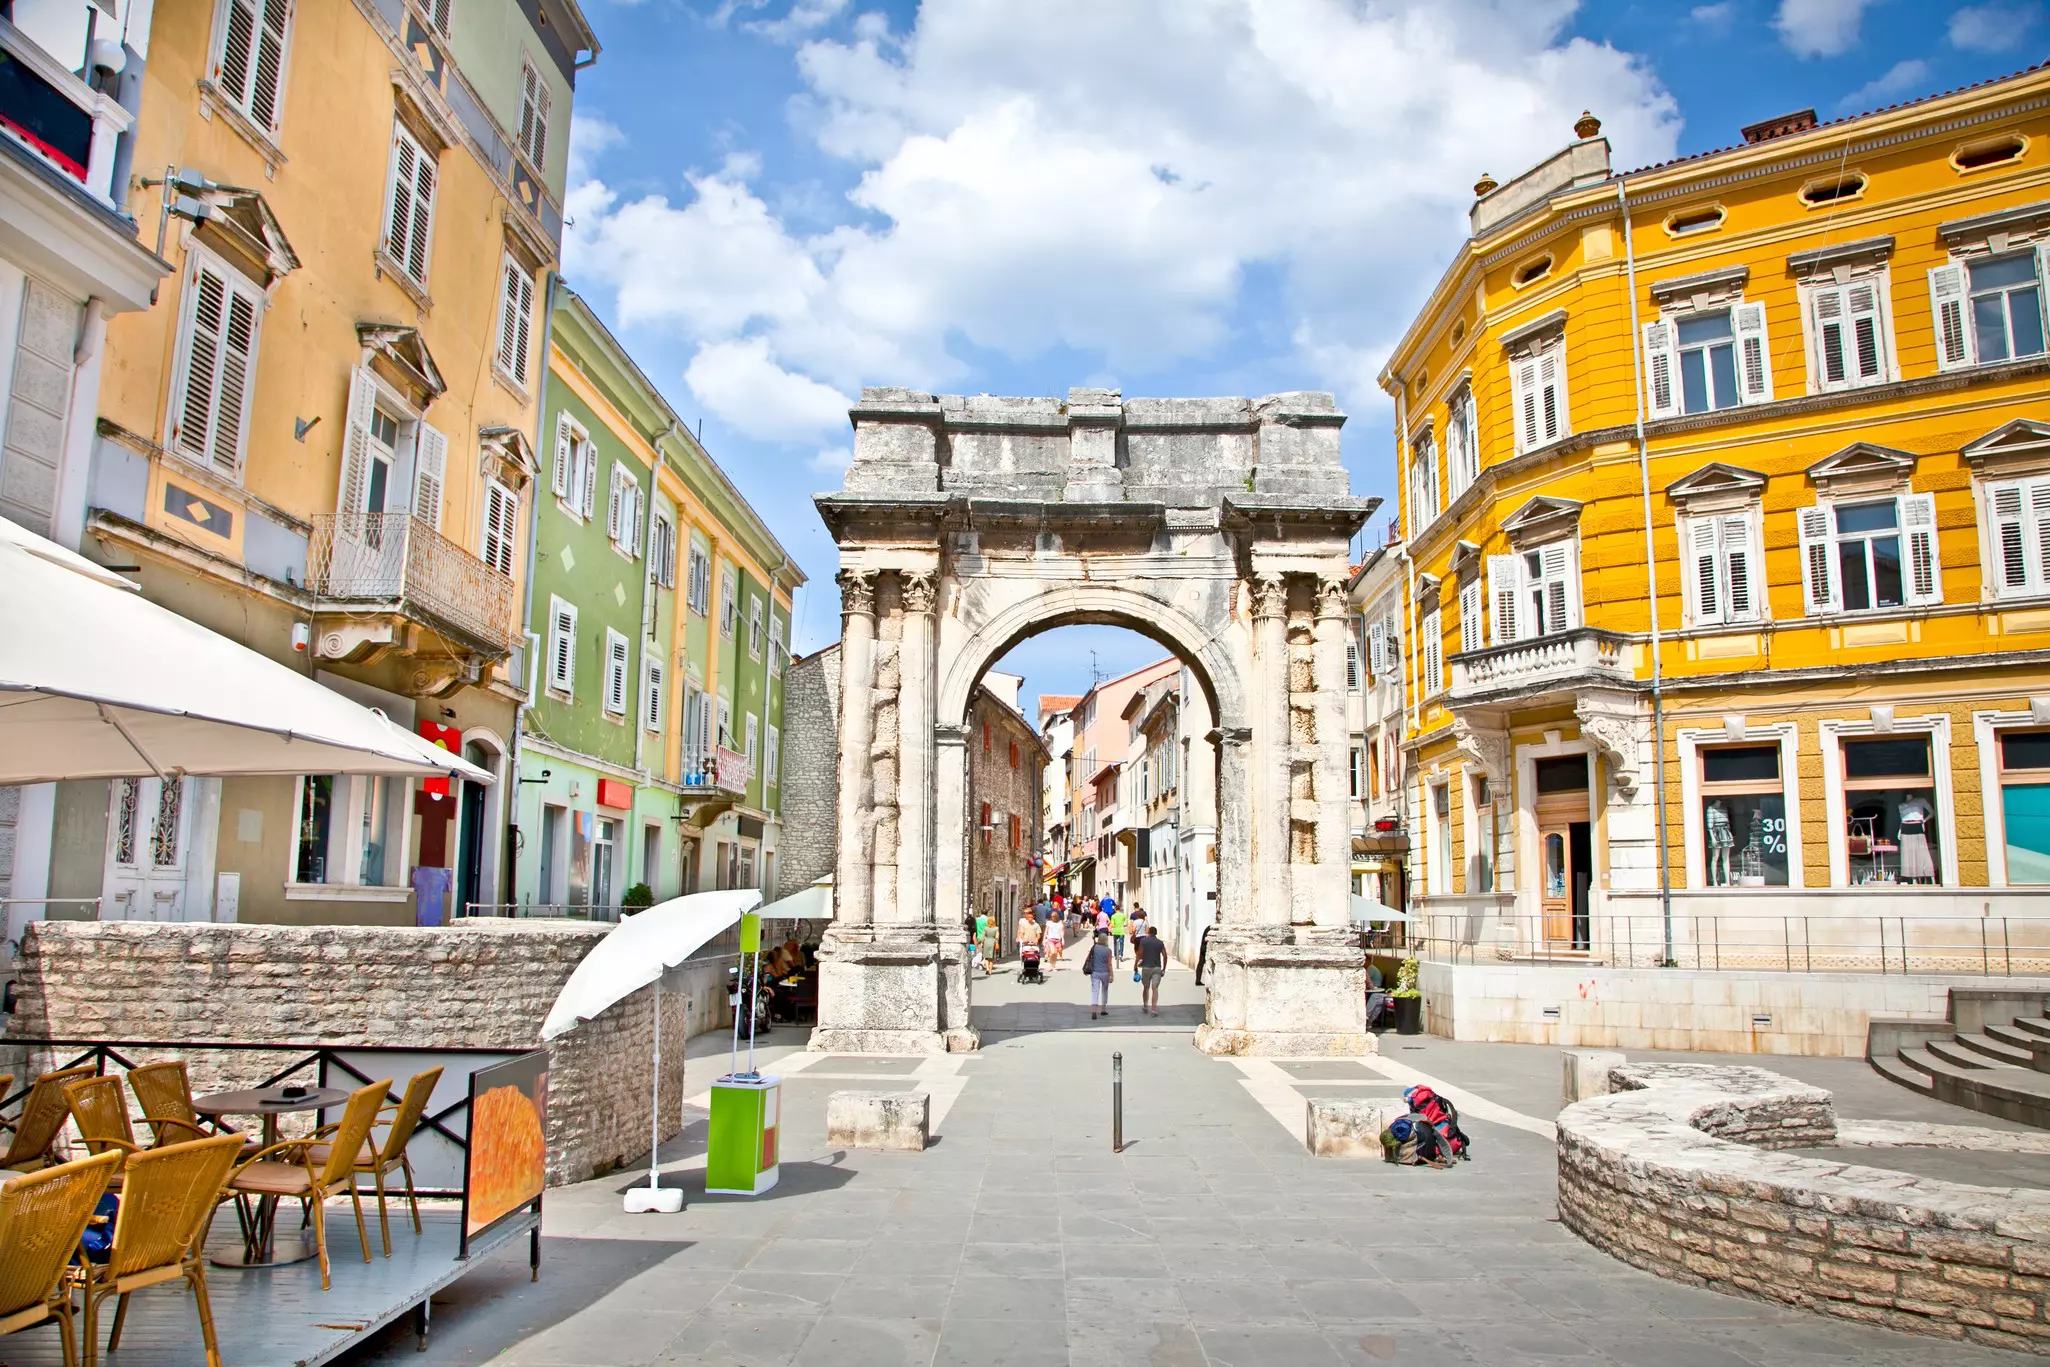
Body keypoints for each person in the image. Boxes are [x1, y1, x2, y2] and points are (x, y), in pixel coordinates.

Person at [1135, 922, 1167, 1014]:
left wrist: (1136, 965)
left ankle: (1145, 1005)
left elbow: (1139, 953)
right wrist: (1163, 968)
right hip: (1157, 968)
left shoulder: (1144, 941)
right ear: (1156, 933)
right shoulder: (1160, 943)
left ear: (1149, 932)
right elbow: (1165, 956)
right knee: (1155, 988)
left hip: (1146, 967)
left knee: (1146, 987)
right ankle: (1153, 1009)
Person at [1084, 931, 1114, 1018]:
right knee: (1105, 990)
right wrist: (1112, 975)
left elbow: (1088, 958)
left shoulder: (1094, 948)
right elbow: (1109, 964)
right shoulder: (1108, 950)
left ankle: (1094, 1010)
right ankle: (1103, 1009)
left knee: (1095, 991)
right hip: (1105, 972)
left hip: (1095, 972)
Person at [1045, 903, 1066, 970]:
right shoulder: (1059, 912)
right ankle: (1051, 964)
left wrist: (1062, 939)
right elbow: (1046, 930)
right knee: (1053, 952)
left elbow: (1061, 931)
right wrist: (1044, 938)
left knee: (1055, 953)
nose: (1052, 917)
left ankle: (1053, 966)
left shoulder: (1049, 912)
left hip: (1057, 939)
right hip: (1050, 939)